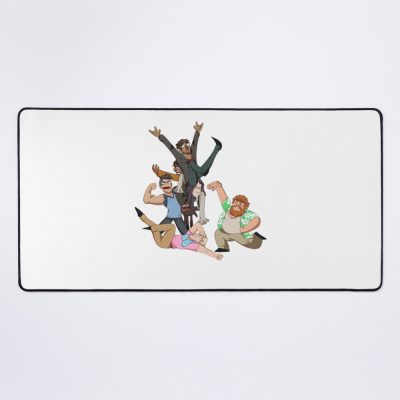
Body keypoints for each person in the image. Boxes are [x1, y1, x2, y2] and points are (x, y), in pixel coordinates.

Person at [148, 121, 222, 212]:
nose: (187, 147)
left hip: (197, 177)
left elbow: (195, 144)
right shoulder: (180, 158)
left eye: (187, 144)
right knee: (194, 166)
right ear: (180, 150)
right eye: (183, 146)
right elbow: (171, 148)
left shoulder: (192, 153)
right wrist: (160, 136)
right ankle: (217, 149)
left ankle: (217, 148)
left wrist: (197, 132)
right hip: (189, 183)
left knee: (196, 166)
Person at [134, 207, 223, 260]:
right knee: (154, 226)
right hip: (162, 239)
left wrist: (216, 256)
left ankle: (153, 228)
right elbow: (198, 225)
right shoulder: (188, 234)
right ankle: (142, 217)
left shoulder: (194, 246)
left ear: (197, 242)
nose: (197, 235)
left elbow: (206, 251)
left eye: (199, 238)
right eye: (199, 234)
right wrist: (203, 233)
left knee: (172, 227)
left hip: (165, 244)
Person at [207, 181, 267, 252]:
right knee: (218, 233)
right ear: (232, 203)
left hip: (238, 234)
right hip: (226, 232)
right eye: (236, 202)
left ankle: (257, 238)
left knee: (251, 244)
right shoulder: (228, 208)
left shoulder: (246, 214)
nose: (238, 204)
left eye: (241, 204)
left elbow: (256, 219)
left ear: (245, 207)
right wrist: (218, 186)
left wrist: (245, 229)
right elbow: (223, 198)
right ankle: (223, 247)